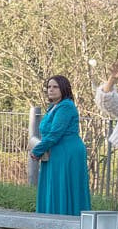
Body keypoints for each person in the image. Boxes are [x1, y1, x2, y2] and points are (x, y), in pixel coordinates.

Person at [33, 74, 91, 221]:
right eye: (49, 87)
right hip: (56, 151)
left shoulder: (66, 106)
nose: (51, 90)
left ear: (64, 89)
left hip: (67, 152)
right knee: (54, 188)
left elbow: (55, 133)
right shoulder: (53, 107)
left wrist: (37, 150)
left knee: (62, 188)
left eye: (55, 87)